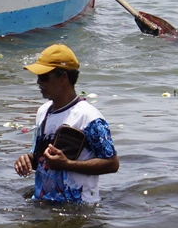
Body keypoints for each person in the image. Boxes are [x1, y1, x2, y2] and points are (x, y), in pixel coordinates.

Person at [13, 44, 119, 204]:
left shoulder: (89, 117)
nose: (38, 82)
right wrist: (26, 160)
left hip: (78, 206)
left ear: (62, 77)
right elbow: (39, 158)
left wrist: (68, 164)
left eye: (44, 77)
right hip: (44, 201)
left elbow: (112, 164)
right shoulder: (43, 112)